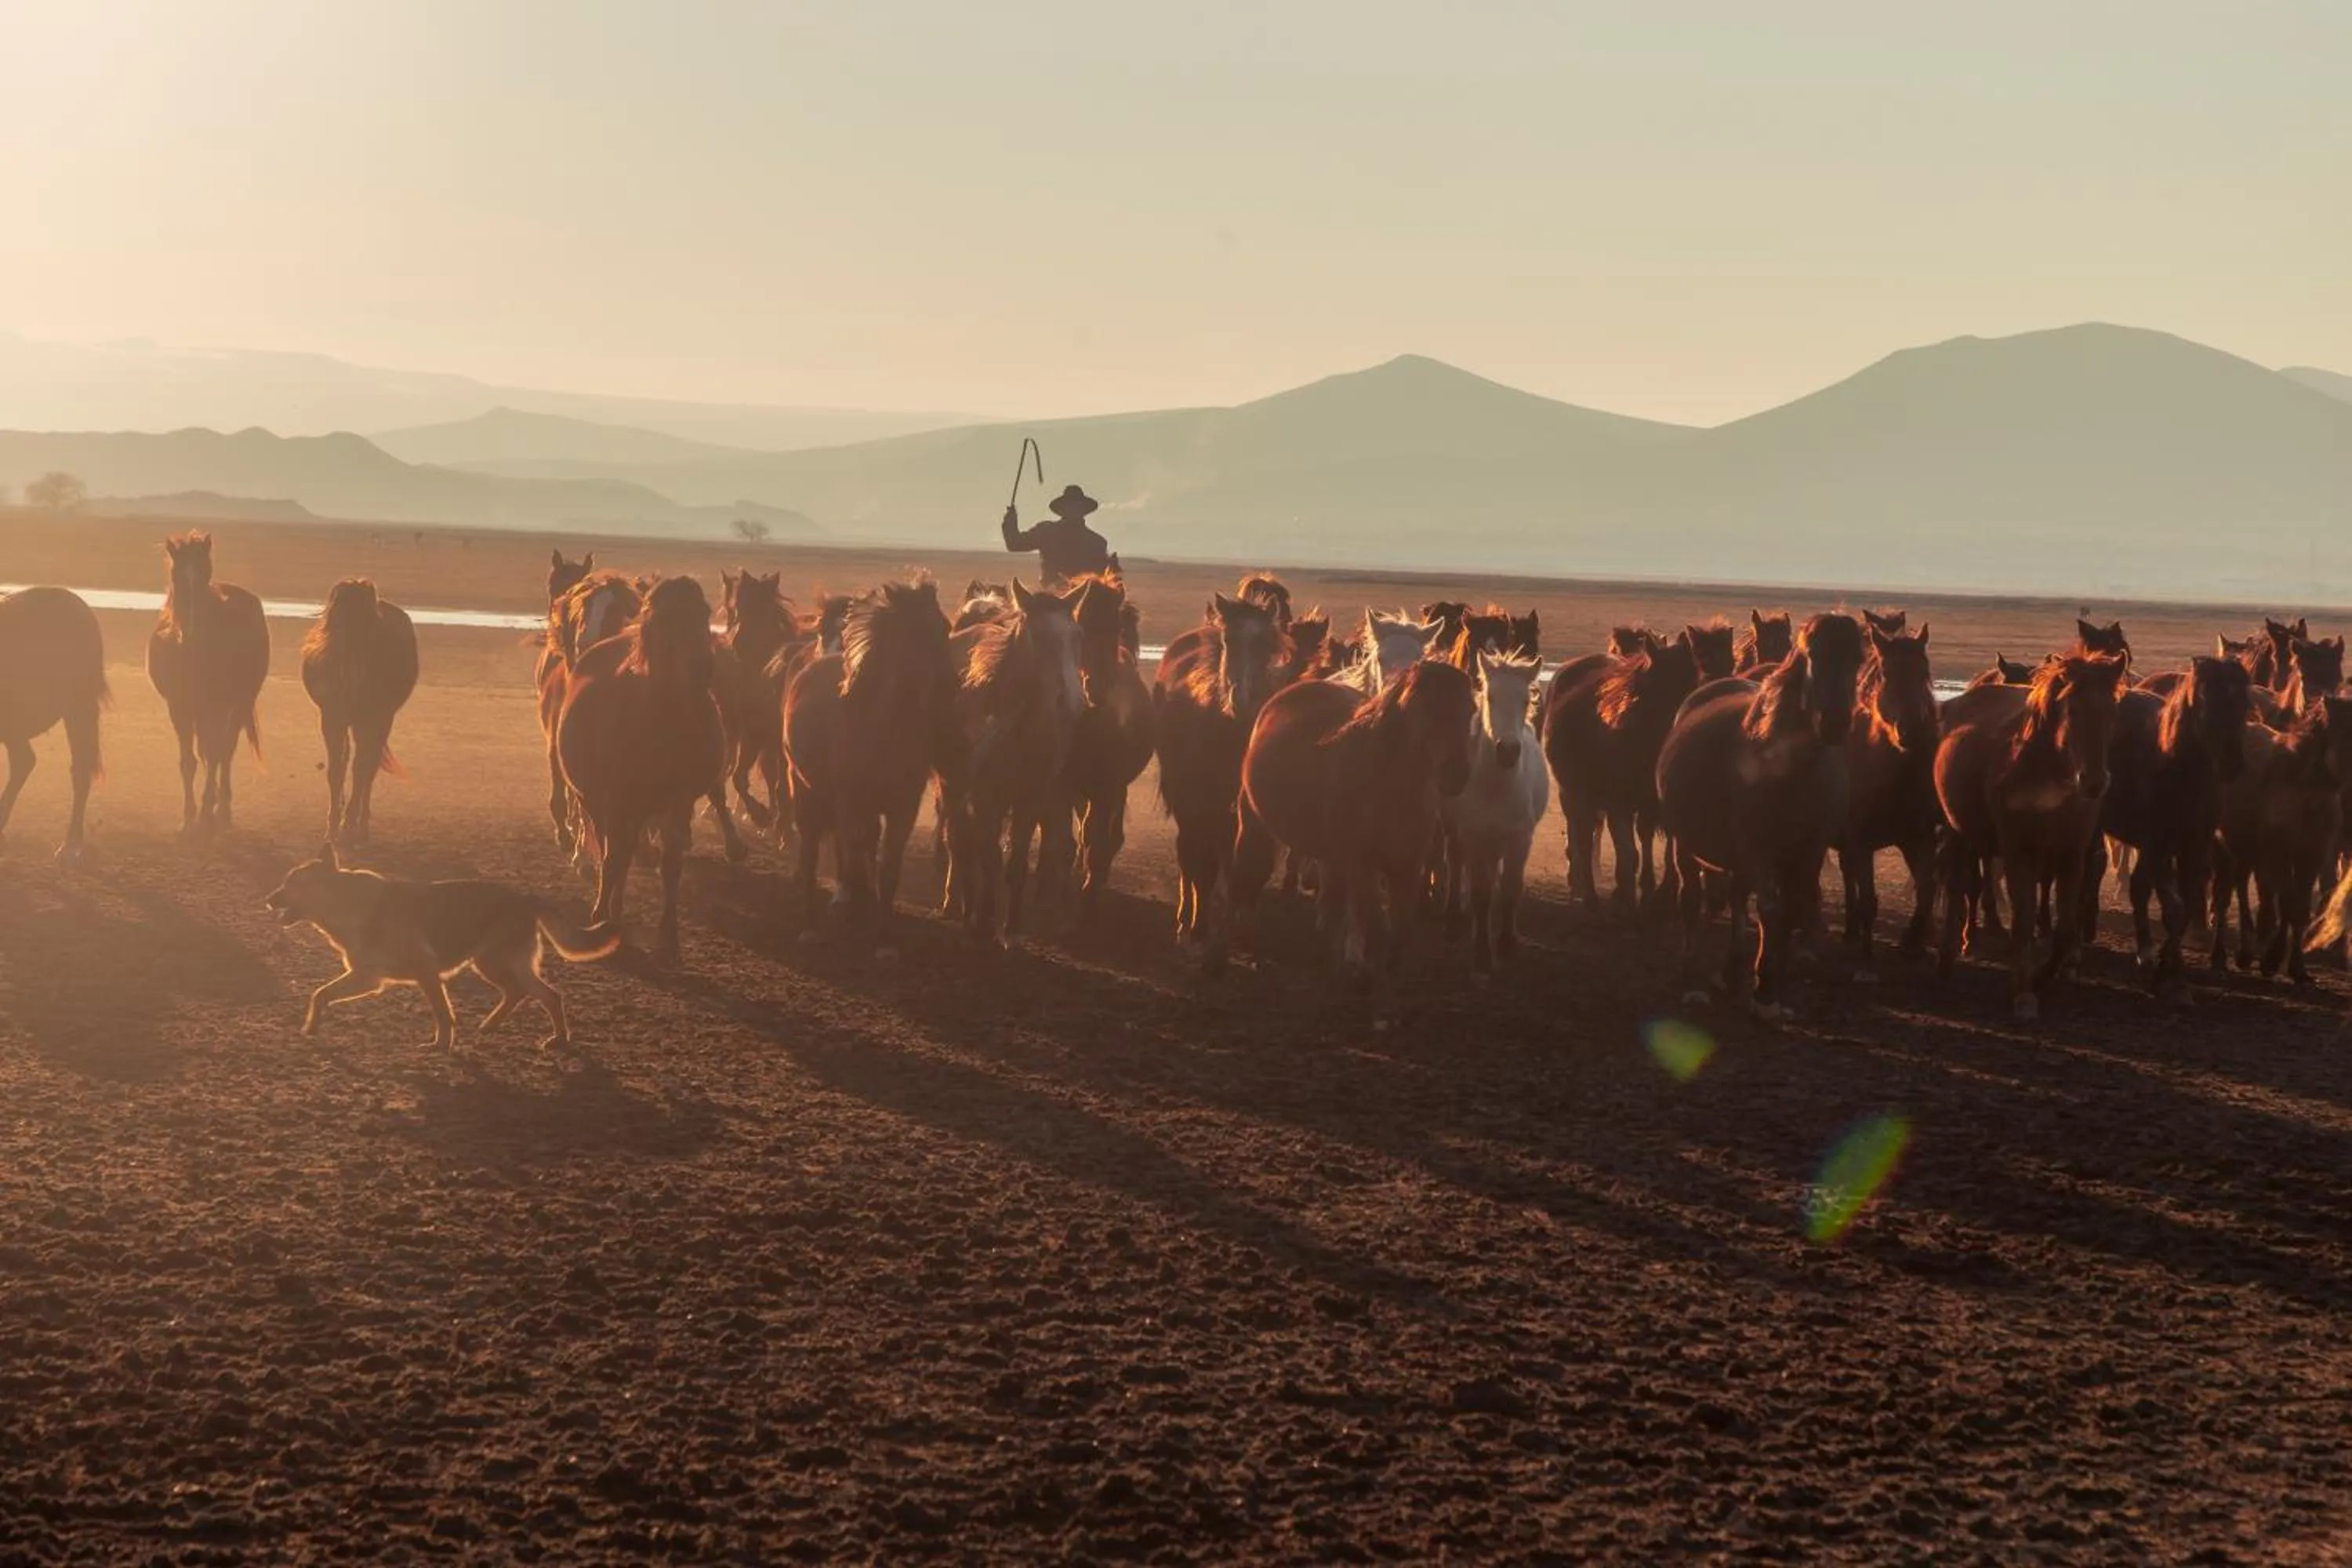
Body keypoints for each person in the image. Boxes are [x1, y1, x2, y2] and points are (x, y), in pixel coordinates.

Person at [1002, 484, 1111, 586]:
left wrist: (1010, 520)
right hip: (1055, 600)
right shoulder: (1097, 542)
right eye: (1070, 506)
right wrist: (1010, 520)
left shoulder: (1046, 531)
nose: (1073, 509)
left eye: (1076, 506)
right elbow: (1014, 544)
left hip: (1059, 600)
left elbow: (1014, 544)